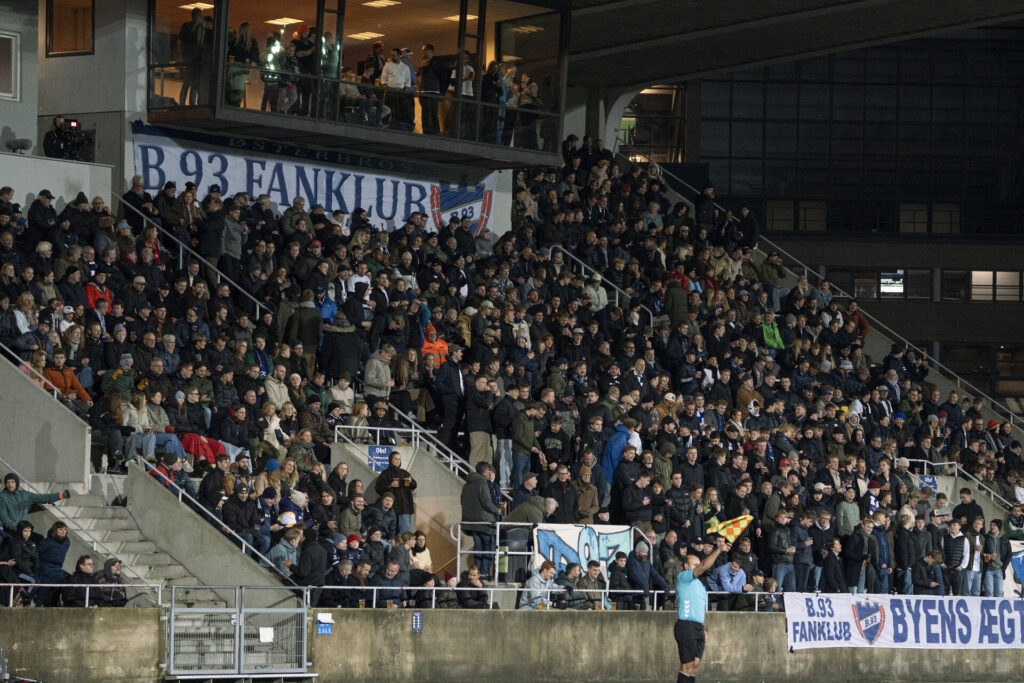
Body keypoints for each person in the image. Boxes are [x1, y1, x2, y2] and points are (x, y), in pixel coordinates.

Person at [674, 538, 730, 683]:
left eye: (699, 565)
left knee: (695, 666)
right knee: (687, 666)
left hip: (698, 627)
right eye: (695, 565)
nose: (699, 567)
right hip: (686, 626)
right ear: (686, 566)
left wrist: (703, 628)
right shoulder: (683, 578)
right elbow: (704, 566)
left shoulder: (699, 584)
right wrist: (718, 549)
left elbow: (699, 607)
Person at [461, 462, 501, 580]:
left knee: (478, 546)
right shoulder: (482, 482)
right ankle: (484, 573)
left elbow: (462, 501)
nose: (491, 473)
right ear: (485, 472)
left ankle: (476, 574)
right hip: (484, 522)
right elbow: (487, 502)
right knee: (489, 546)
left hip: (471, 523)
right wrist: (497, 510)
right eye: (489, 471)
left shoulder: (467, 484)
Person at [0, 473, 69, 531]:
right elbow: (4, 518)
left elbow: (42, 498)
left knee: (39, 539)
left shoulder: (25, 495)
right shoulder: (2, 497)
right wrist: (16, 527)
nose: (10, 485)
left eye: (12, 482)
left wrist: (60, 496)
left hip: (24, 530)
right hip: (11, 530)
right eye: (7, 482)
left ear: (16, 483)